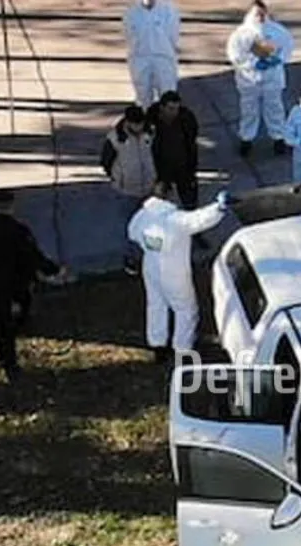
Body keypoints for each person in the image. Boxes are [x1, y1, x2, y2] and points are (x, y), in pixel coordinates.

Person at [127, 185, 232, 362]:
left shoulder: (142, 215)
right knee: (185, 310)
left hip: (151, 266)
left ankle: (157, 344)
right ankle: (182, 349)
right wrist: (219, 207)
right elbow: (200, 219)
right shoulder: (176, 220)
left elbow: (132, 233)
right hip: (175, 272)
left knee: (156, 305)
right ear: (170, 195)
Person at [0, 189, 68, 382]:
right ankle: (16, 341)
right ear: (12, 206)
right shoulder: (19, 231)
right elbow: (33, 255)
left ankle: (5, 355)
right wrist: (54, 270)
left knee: (0, 317)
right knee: (22, 305)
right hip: (16, 279)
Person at [226, 0, 295, 157]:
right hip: (249, 79)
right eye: (257, 14)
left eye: (263, 13)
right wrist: (254, 63)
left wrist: (278, 60)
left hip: (272, 78)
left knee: (275, 108)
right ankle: (246, 138)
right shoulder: (241, 34)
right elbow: (234, 55)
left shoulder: (278, 31)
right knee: (249, 109)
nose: (261, 17)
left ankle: (278, 137)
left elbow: (288, 47)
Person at [100, 105, 159, 276]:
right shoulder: (115, 138)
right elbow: (106, 161)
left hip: (149, 187)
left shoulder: (151, 133)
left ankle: (152, 255)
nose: (139, 128)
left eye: (141, 124)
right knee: (129, 227)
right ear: (128, 122)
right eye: (135, 125)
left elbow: (158, 153)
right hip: (126, 191)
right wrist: (117, 178)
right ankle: (130, 258)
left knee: (152, 225)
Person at [147, 90, 200, 211]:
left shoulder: (186, 118)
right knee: (159, 202)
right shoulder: (151, 117)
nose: (175, 112)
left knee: (189, 201)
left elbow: (191, 142)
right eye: (171, 108)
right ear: (162, 107)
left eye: (177, 108)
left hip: (183, 165)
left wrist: (192, 169)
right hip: (161, 167)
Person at [123, 0, 181, 109]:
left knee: (168, 94)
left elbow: (173, 35)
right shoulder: (132, 12)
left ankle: (168, 124)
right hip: (140, 57)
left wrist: (165, 49)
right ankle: (146, 121)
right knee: (142, 95)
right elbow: (129, 35)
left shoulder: (169, 9)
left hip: (164, 56)